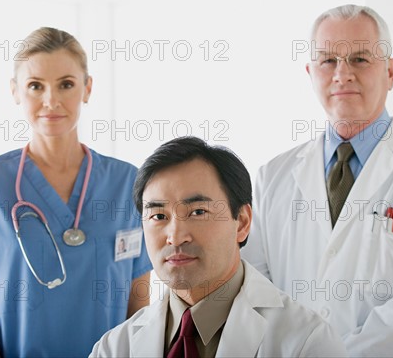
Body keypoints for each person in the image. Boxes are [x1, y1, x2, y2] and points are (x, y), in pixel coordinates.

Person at [241, 4, 393, 357]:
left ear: (391, 72)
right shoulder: (272, 176)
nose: (342, 74)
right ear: (310, 72)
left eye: (361, 59)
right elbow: (256, 289)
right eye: (328, 61)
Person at [0, 27, 152, 357]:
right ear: (15, 91)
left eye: (66, 84)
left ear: (87, 88)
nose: (51, 100)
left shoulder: (128, 183)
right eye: (35, 86)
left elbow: (138, 304)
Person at [90, 136, 347, 357]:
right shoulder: (114, 348)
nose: (176, 237)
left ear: (242, 222)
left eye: (198, 211)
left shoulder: (306, 342)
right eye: (159, 216)